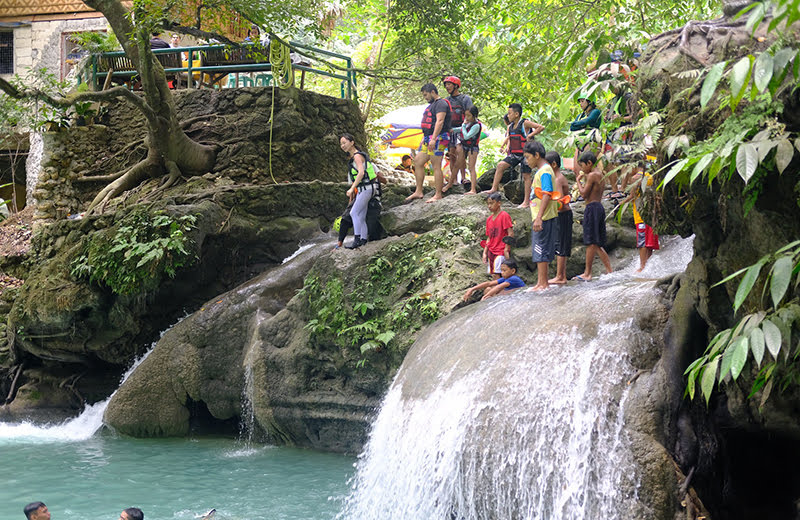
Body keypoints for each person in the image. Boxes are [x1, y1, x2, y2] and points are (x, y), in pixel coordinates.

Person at [483, 104, 544, 208]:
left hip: (526, 154)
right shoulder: (510, 126)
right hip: (515, 154)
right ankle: (494, 188)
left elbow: (541, 127)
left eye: (510, 113)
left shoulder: (524, 123)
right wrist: (507, 147)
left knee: (526, 176)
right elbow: (511, 138)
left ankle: (526, 201)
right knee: (500, 165)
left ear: (516, 114)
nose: (508, 115)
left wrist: (530, 135)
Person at [406, 83, 451, 203]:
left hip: (439, 137)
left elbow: (440, 121)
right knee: (418, 161)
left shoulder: (441, 103)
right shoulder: (431, 106)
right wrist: (425, 137)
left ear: (432, 92)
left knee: (436, 165)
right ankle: (418, 191)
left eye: (426, 95)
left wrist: (434, 138)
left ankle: (438, 194)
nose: (425, 97)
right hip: (428, 137)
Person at [572, 151, 613, 281]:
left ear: (589, 163)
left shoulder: (592, 175)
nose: (582, 169)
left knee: (591, 242)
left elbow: (583, 194)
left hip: (592, 208)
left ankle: (587, 273)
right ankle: (609, 270)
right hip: (599, 207)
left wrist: (578, 182)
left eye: (582, 166)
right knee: (597, 242)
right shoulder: (600, 175)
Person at [524, 141, 559, 291]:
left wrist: (539, 217)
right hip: (542, 216)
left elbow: (547, 193)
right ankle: (541, 282)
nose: (527, 161)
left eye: (528, 157)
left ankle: (543, 283)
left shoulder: (544, 171)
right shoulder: (544, 170)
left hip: (543, 217)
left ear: (536, 155)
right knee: (540, 249)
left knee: (540, 249)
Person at [340, 133, 379, 249]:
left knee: (354, 213)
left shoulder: (357, 156)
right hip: (366, 189)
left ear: (352, 142)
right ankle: (363, 239)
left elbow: (361, 173)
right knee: (361, 215)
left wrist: (352, 188)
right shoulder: (355, 156)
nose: (342, 146)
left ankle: (356, 240)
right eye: (341, 144)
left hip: (366, 189)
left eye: (344, 142)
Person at [603, 80, 635, 199]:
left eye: (613, 87)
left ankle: (623, 189)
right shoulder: (614, 100)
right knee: (608, 160)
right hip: (613, 132)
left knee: (624, 161)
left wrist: (620, 118)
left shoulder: (629, 97)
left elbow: (637, 114)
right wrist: (608, 117)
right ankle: (614, 189)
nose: (612, 90)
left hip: (625, 131)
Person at [441, 76, 473, 192]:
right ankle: (453, 180)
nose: (447, 87)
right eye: (446, 85)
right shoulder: (446, 101)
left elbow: (470, 114)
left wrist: (465, 128)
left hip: (462, 129)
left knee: (461, 152)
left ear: (456, 85)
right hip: (450, 130)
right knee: (452, 154)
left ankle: (463, 178)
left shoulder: (465, 99)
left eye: (449, 84)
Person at [623, 170, 660, 271]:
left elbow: (632, 196)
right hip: (651, 215)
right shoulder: (650, 176)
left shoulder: (635, 179)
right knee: (649, 243)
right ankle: (647, 265)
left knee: (642, 243)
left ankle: (642, 267)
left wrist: (621, 203)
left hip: (640, 216)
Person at [545, 151, 572, 285]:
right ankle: (562, 275)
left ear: (554, 164)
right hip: (562, 215)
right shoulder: (556, 178)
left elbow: (560, 202)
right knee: (560, 244)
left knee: (561, 245)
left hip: (562, 214)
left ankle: (560, 276)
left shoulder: (557, 179)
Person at [569, 93, 601, 178]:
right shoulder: (580, 116)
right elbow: (572, 127)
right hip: (580, 143)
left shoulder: (596, 112)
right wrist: (581, 124)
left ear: (590, 102)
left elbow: (588, 120)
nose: (581, 104)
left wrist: (580, 124)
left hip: (591, 141)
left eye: (582, 101)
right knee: (577, 169)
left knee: (588, 167)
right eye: (580, 101)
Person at [483, 192, 514, 279]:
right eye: (488, 204)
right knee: (493, 273)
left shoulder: (504, 215)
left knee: (499, 272)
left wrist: (507, 248)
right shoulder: (489, 219)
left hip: (501, 250)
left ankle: (501, 291)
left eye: (492, 203)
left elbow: (510, 233)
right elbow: (489, 237)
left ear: (499, 203)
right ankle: (498, 290)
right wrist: (485, 252)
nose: (489, 206)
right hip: (491, 250)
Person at [459, 106, 482, 194]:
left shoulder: (476, 125)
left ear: (474, 116)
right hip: (465, 147)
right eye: (465, 115)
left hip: (473, 148)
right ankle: (463, 178)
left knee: (471, 167)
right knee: (461, 163)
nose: (466, 118)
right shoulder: (469, 123)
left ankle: (473, 189)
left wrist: (463, 125)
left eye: (469, 116)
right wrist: (452, 130)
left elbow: (466, 136)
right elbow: (461, 130)